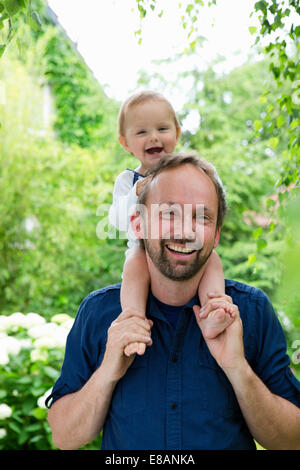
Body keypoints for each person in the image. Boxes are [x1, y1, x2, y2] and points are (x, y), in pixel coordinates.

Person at [47, 153, 300, 450]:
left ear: (216, 235)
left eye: (201, 217)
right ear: (138, 225)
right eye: (169, 214)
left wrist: (237, 367)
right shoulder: (98, 313)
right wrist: (107, 372)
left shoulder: (252, 311)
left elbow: (292, 441)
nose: (185, 231)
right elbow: (64, 437)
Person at [109, 90, 233, 357]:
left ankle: (214, 307)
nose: (153, 137)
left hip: (189, 249)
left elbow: (216, 197)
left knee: (212, 259)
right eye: (141, 132)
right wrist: (136, 193)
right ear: (125, 143)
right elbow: (117, 221)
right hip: (144, 249)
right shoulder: (127, 180)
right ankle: (133, 320)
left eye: (162, 128)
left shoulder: (192, 170)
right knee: (134, 266)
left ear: (177, 133)